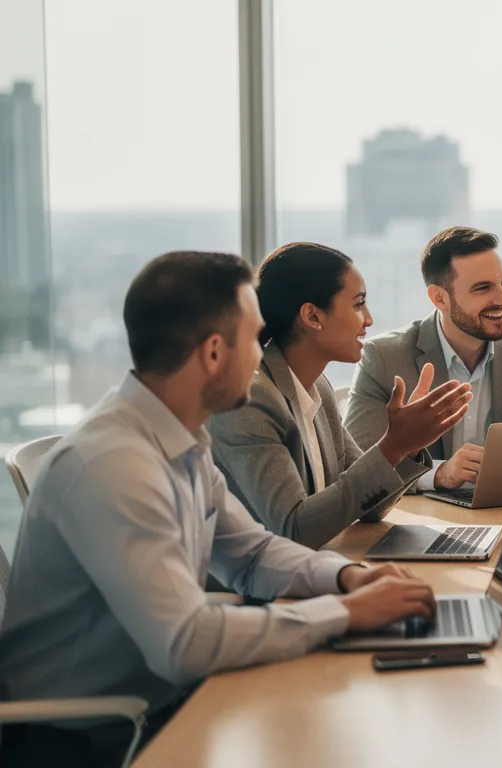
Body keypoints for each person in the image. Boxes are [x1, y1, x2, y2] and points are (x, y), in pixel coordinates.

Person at [0, 252, 442, 767]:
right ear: (214, 352)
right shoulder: (114, 465)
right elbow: (184, 642)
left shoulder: (176, 438)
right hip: (93, 737)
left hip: (161, 701)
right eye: (255, 339)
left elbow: (250, 554)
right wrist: (343, 613)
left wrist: (344, 579)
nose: (264, 355)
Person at [209, 242, 472, 549]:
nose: (369, 319)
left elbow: (371, 506)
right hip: (246, 591)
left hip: (311, 569)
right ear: (313, 316)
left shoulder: (316, 386)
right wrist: (394, 444)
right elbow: (294, 530)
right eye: (358, 304)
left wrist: (407, 446)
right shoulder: (249, 401)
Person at [345, 226, 502, 490]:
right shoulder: (384, 357)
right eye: (483, 288)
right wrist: (439, 474)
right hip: (423, 518)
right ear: (440, 298)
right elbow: (356, 470)